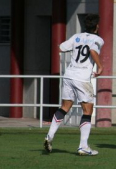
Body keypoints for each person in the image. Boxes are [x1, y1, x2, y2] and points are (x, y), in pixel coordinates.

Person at [44, 14, 104, 156]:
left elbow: (62, 47)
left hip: (69, 75)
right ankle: (83, 146)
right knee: (87, 110)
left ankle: (49, 136)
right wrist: (100, 67)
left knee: (64, 107)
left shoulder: (77, 36)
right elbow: (92, 50)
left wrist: (76, 46)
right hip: (82, 77)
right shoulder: (98, 39)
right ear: (97, 26)